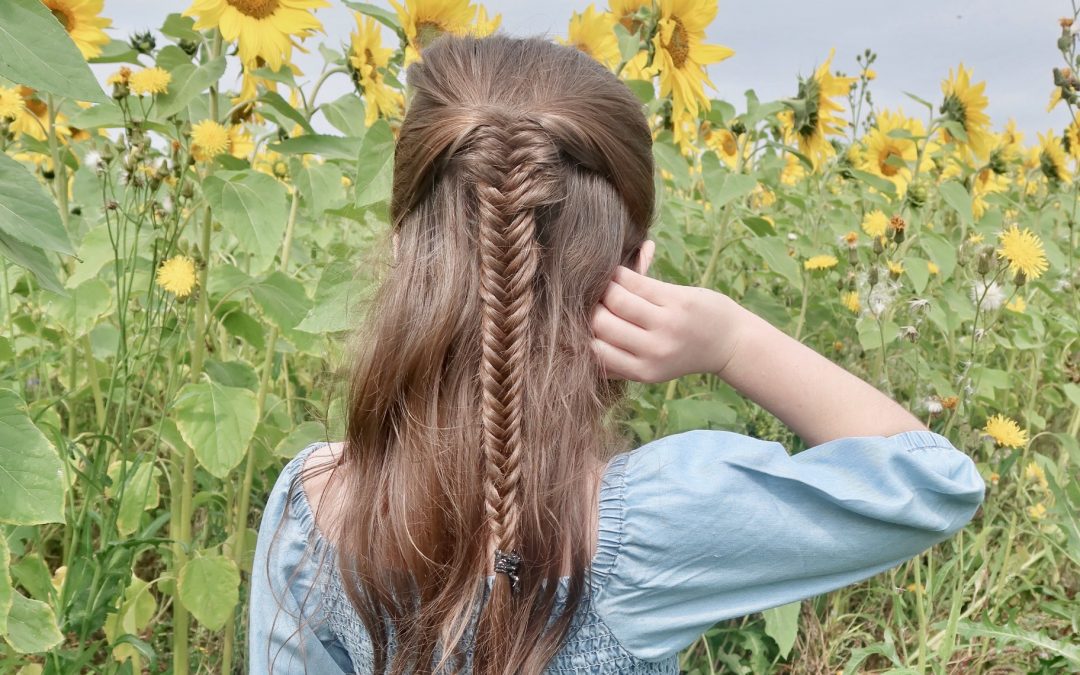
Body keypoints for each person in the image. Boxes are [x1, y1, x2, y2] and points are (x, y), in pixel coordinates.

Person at [247, 33, 985, 674]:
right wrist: (732, 338)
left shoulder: (310, 506)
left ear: (405, 250)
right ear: (633, 273)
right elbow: (931, 480)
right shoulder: (655, 522)